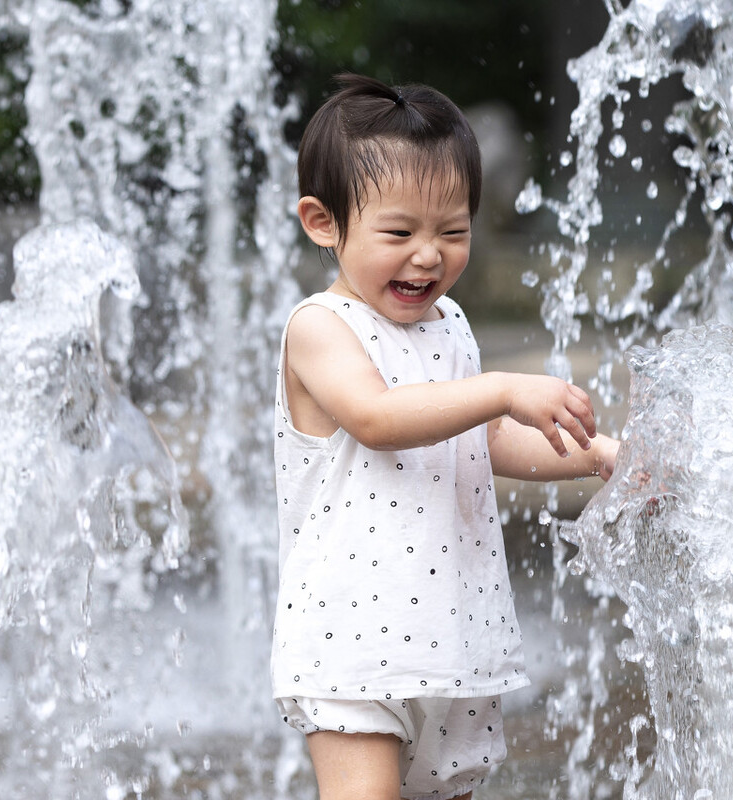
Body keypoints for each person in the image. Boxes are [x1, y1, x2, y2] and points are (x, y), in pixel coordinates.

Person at [272, 74, 621, 800]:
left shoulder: (448, 325)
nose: (428, 256)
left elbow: (485, 442)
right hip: (352, 634)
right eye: (399, 233)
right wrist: (504, 386)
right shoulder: (319, 328)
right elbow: (377, 418)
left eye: (453, 231)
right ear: (323, 221)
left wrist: (600, 458)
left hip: (452, 628)